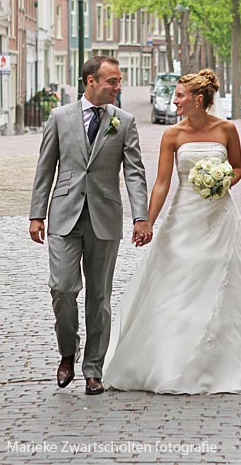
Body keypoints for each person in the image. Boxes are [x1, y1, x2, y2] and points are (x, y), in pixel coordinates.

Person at [103, 69, 241, 394]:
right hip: (183, 219)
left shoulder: (226, 129)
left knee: (225, 283)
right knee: (177, 283)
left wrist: (222, 180)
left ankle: (226, 362)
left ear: (198, 99)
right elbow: (163, 183)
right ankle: (168, 361)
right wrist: (147, 221)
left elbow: (237, 168)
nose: (174, 101)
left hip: (220, 217)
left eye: (180, 96)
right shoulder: (172, 135)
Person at [29, 56, 152, 395]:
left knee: (99, 297)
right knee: (62, 288)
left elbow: (134, 172)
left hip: (104, 218)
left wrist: (141, 216)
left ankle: (93, 369)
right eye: (112, 81)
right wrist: (37, 214)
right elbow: (45, 167)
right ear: (91, 81)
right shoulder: (59, 118)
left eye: (119, 81)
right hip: (63, 216)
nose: (118, 87)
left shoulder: (124, 122)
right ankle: (67, 352)